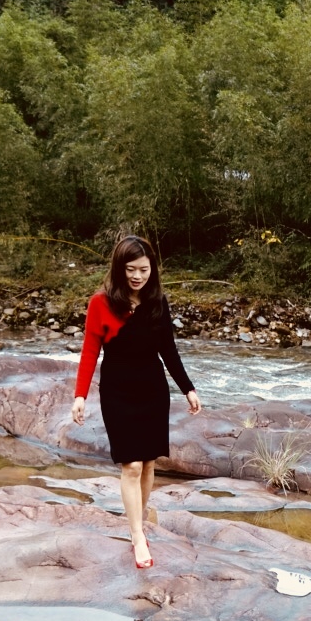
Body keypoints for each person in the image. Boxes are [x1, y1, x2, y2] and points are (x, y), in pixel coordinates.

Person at [71, 235, 201, 569]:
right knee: (130, 465)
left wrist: (187, 387)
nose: (138, 276)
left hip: (152, 389)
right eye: (131, 269)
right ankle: (137, 535)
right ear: (119, 269)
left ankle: (138, 522)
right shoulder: (100, 302)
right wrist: (80, 395)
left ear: (152, 270)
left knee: (148, 463)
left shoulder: (157, 300)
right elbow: (89, 351)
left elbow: (168, 349)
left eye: (143, 269)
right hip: (117, 390)